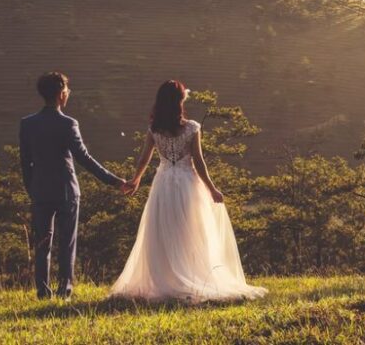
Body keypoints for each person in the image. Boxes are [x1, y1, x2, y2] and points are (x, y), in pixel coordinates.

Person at [110, 80, 267, 302]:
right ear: (180, 101)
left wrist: (136, 180)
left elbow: (144, 157)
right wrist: (212, 188)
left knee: (164, 231)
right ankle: (191, 275)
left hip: (163, 183)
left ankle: (167, 278)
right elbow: (198, 162)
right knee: (191, 230)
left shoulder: (155, 129)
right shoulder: (192, 128)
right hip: (187, 183)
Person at [19, 71, 129, 299]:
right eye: (67, 91)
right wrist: (114, 181)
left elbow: (25, 162)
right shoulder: (68, 123)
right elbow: (84, 159)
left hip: (40, 191)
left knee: (42, 244)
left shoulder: (27, 124)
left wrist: (32, 189)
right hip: (66, 191)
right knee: (67, 243)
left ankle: (43, 292)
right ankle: (64, 292)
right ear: (61, 94)